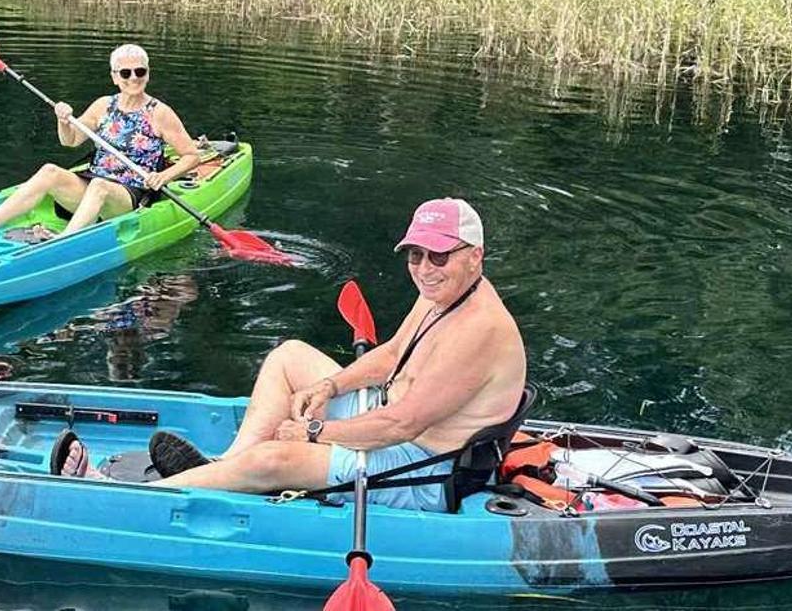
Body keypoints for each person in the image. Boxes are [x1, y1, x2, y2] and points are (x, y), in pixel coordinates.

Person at [56, 198, 526, 514]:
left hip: (423, 469)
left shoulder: (480, 329)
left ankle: (121, 495)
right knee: (290, 357)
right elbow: (392, 355)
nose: (424, 268)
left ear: (475, 256)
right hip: (391, 418)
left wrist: (315, 431)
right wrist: (330, 386)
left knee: (275, 460)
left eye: (439, 257)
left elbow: (402, 427)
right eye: (415, 256)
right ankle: (222, 469)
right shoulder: (442, 293)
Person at [0, 44, 208, 240]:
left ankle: (65, 241)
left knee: (100, 185)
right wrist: (64, 120)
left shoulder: (159, 112)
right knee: (50, 171)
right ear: (115, 77)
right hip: (93, 183)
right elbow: (71, 141)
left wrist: (163, 177)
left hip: (129, 193)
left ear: (147, 74)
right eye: (125, 73)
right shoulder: (103, 105)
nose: (133, 78)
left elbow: (191, 156)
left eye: (140, 71)